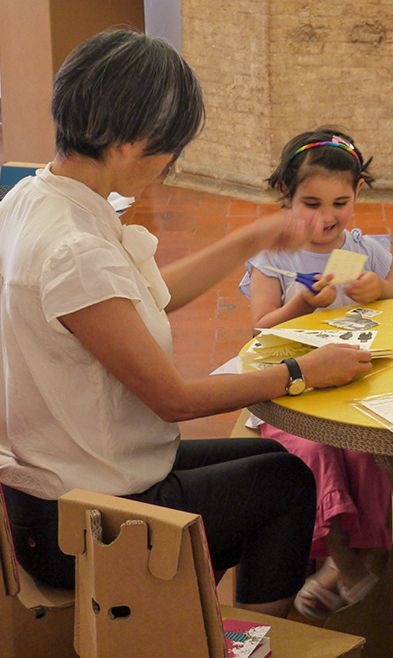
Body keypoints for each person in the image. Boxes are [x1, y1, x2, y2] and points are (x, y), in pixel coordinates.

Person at [0, 30, 372, 618]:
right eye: (171, 151)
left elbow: (148, 296)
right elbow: (172, 399)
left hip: (71, 477)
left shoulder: (32, 199)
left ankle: (205, 617)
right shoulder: (73, 248)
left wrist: (255, 236)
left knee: (281, 466)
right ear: (133, 144)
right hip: (85, 515)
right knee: (287, 490)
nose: (171, 166)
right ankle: (242, 637)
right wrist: (302, 371)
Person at [239, 127, 393, 619]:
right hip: (288, 394)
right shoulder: (274, 257)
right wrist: (298, 304)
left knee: (364, 447)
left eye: (340, 203)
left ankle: (371, 558)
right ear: (285, 197)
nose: (327, 217)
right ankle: (340, 557)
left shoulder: (366, 250)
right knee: (315, 449)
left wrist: (380, 290)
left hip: (349, 387)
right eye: (311, 203)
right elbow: (258, 332)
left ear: (358, 194)